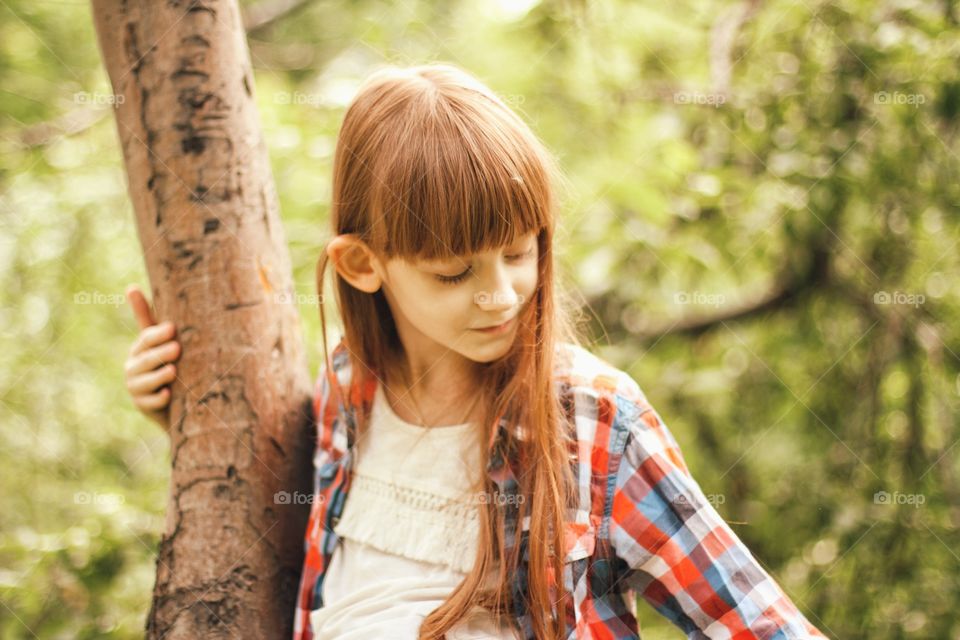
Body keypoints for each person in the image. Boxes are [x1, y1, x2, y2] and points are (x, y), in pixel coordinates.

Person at [123, 63, 828, 640]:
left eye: (519, 253)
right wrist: (183, 419)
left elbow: (758, 622)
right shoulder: (347, 388)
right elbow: (291, 542)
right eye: (453, 272)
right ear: (363, 265)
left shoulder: (593, 419)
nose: (500, 295)